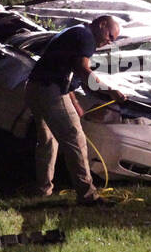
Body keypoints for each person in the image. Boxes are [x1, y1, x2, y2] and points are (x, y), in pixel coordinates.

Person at [24, 16, 128, 205]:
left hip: (34, 87)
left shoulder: (76, 32)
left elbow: (67, 71)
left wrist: (75, 103)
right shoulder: (86, 37)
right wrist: (110, 90)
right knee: (75, 139)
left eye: (113, 39)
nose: (110, 41)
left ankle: (43, 190)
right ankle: (88, 195)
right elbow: (82, 69)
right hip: (50, 90)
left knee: (47, 140)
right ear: (102, 24)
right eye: (110, 35)